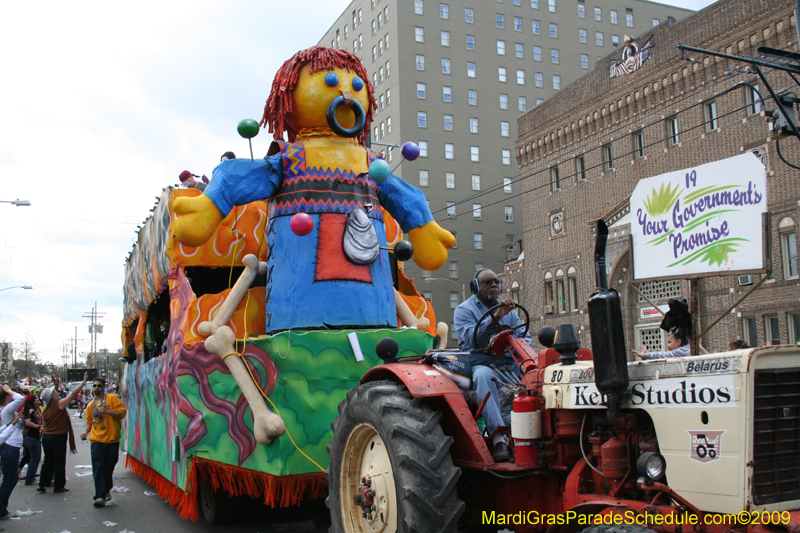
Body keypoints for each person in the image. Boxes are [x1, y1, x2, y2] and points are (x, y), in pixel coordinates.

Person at [454, 268, 531, 463]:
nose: (494, 285)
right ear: (476, 287)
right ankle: (499, 440)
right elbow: (472, 339)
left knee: (534, 376)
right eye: (488, 282)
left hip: (508, 363)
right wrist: (496, 317)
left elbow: (524, 337)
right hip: (482, 363)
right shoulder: (464, 310)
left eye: (496, 281)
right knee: (482, 377)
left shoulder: (511, 312)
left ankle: (533, 433)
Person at [38, 372, 87, 494]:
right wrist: (83, 383)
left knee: (48, 461)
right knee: (59, 461)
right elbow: (73, 394)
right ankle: (59, 486)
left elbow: (44, 425)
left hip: (47, 436)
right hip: (58, 436)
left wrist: (55, 383)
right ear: (53, 398)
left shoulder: (45, 409)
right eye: (55, 393)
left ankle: (42, 483)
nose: (57, 394)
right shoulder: (58, 405)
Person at [82, 377, 126, 508]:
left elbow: (122, 414)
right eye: (94, 386)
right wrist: (86, 432)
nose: (96, 388)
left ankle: (106, 488)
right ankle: (100, 496)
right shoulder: (90, 405)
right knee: (98, 468)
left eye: (99, 386)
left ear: (104, 387)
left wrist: (107, 411)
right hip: (97, 441)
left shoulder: (112, 399)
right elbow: (90, 421)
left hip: (112, 440)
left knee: (108, 467)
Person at [0, 385, 24, 521]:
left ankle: (2, 507)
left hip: (11, 446)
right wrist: (8, 389)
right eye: (11, 394)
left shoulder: (6, 411)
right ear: (7, 396)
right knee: (10, 479)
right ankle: (1, 509)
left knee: (11, 479)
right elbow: (20, 399)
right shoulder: (5, 410)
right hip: (9, 447)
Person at [20, 394, 42, 485]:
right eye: (36, 398)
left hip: (33, 437)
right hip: (31, 436)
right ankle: (30, 479)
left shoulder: (37, 410)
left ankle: (30, 475)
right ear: (32, 401)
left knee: (30, 457)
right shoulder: (32, 411)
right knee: (35, 458)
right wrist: (38, 427)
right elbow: (28, 422)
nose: (38, 399)